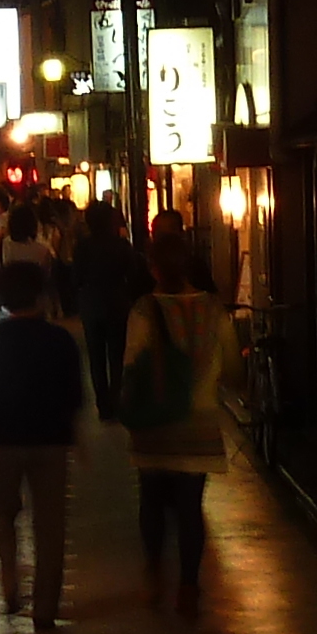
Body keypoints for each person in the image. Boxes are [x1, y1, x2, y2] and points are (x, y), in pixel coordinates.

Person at [117, 219, 230, 612]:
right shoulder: (213, 308)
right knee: (189, 508)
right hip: (199, 423)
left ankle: (153, 573)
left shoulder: (145, 310)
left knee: (151, 500)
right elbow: (230, 363)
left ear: (154, 268)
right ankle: (188, 584)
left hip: (155, 423)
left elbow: (132, 362)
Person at [0, 259, 84, 628]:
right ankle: (45, 607)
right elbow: (74, 394)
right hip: (51, 441)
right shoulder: (59, 340)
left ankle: (10, 581)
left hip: (4, 441)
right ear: (40, 293)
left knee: (2, 514)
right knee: (50, 524)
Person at [71, 201, 144, 416]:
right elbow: (134, 276)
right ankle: (116, 398)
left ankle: (102, 404)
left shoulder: (82, 247)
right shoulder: (122, 246)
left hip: (91, 305)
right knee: (117, 354)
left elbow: (75, 278)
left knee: (96, 356)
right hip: (117, 304)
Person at [0, 198, 56, 320]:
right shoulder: (42, 251)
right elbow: (48, 284)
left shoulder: (0, 248)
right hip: (34, 311)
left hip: (6, 310)